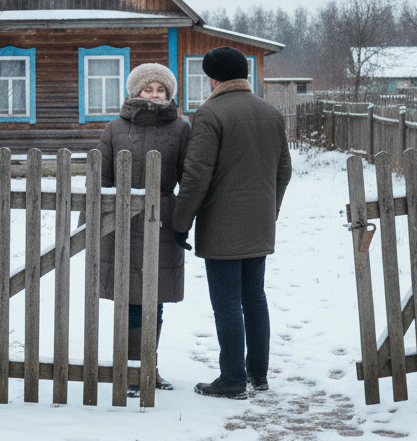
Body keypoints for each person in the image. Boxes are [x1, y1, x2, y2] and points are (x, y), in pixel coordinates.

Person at [172, 46, 291, 400]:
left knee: (227, 303)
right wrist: (269, 211)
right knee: (254, 299)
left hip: (223, 227)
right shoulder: (271, 112)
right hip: (259, 224)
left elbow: (196, 175)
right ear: (244, 75)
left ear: (213, 78)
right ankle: (258, 375)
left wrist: (181, 223)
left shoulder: (211, 113)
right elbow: (284, 170)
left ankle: (233, 379)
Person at [91, 62, 191, 396]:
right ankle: (131, 368)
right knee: (128, 296)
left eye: (160, 90)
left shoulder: (180, 128)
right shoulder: (115, 128)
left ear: (169, 94)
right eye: (148, 89)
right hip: (120, 219)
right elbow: (101, 177)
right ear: (135, 91)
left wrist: (183, 218)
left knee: (154, 296)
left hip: (161, 217)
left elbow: (189, 175)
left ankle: (149, 366)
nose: (154, 95)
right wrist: (93, 224)